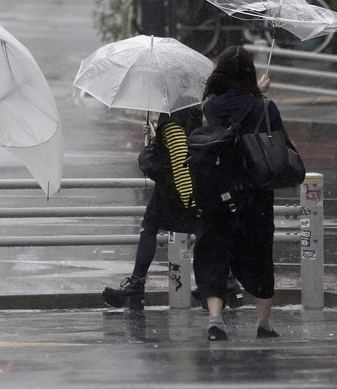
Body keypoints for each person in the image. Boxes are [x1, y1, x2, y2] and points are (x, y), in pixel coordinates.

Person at [192, 46, 280, 341]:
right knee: (259, 256)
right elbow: (279, 143)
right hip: (255, 193)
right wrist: (260, 98)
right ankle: (263, 324)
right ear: (251, 75)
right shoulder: (265, 108)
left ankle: (216, 320)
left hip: (217, 191)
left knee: (214, 254)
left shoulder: (209, 108)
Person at [101, 107, 202, 308]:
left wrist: (188, 199)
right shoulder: (192, 112)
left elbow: (180, 157)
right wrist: (156, 135)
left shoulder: (174, 117)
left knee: (150, 229)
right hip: (183, 186)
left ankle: (137, 283)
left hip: (174, 189)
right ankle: (217, 282)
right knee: (198, 231)